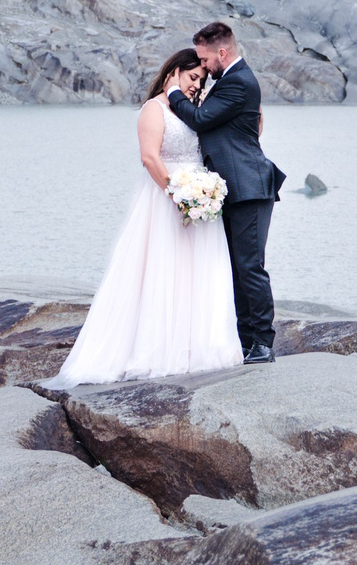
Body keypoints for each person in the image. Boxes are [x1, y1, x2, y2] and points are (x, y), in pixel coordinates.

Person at [48, 48, 243, 385]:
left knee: (199, 273)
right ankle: (158, 350)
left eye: (201, 80)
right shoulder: (154, 110)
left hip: (198, 200)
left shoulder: (195, 111)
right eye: (192, 77)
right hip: (167, 198)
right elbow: (150, 158)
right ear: (173, 73)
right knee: (164, 272)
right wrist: (179, 196)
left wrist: (202, 195)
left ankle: (199, 349)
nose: (197, 85)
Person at [163, 20, 288, 362]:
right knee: (236, 267)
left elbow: (201, 120)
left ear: (222, 52)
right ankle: (246, 341)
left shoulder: (239, 81)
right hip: (233, 189)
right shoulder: (229, 81)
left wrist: (173, 91)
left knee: (250, 267)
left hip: (249, 188)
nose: (202, 66)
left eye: (204, 59)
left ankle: (262, 343)